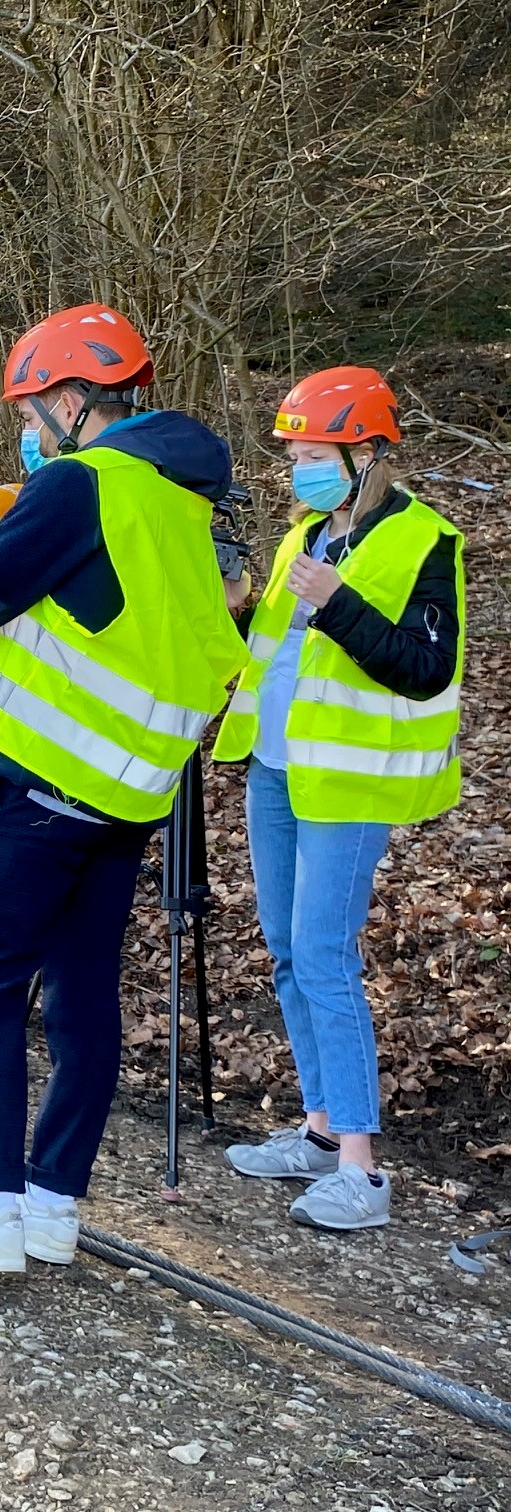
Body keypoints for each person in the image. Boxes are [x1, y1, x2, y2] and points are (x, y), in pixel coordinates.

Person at [0, 303, 248, 1274]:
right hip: (129, 798)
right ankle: (52, 1204)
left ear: (76, 401)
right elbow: (115, 614)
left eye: (35, 407)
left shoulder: (82, 485)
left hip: (43, 788)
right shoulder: (175, 497)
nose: (29, 427)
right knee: (85, 998)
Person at [212, 366, 464, 1231]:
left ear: (366, 453)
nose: (299, 469)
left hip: (351, 784)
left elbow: (428, 669)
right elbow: (266, 642)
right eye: (294, 455)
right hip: (276, 770)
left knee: (324, 954)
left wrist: (339, 605)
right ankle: (319, 1134)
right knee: (285, 949)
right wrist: (232, 595)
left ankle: (361, 1169)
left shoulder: (425, 539)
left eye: (315, 454)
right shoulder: (305, 535)